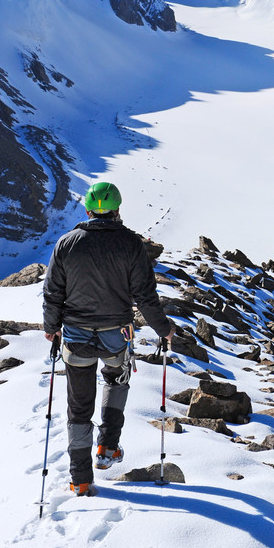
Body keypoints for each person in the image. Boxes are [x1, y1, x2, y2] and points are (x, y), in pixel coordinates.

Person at [43, 180, 174, 496]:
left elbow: (52, 293)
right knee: (116, 382)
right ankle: (108, 447)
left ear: (88, 209)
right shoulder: (131, 244)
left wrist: (51, 326)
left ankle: (81, 478)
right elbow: (145, 295)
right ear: (116, 210)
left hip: (76, 335)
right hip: (116, 333)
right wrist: (163, 328)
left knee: (79, 406)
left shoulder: (66, 244)